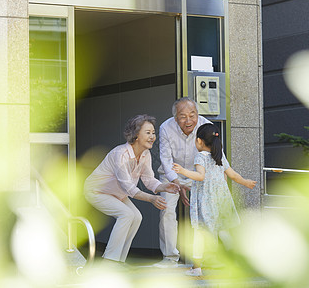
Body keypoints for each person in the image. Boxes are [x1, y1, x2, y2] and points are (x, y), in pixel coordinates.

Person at [84, 114, 180, 264]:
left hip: (117, 194)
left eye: (153, 133)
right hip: (97, 191)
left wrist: (164, 187)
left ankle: (119, 261)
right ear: (136, 135)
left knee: (137, 216)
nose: (152, 136)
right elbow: (128, 187)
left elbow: (148, 179)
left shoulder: (145, 154)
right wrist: (151, 198)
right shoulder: (120, 154)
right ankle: (110, 261)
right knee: (127, 215)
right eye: (147, 132)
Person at [172, 123, 256, 276]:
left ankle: (196, 268)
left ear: (198, 141)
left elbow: (200, 176)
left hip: (206, 200)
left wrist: (182, 171)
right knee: (223, 231)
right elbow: (233, 175)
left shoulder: (200, 157)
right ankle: (237, 261)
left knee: (200, 232)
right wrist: (246, 182)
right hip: (221, 200)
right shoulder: (219, 155)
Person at [154, 97, 211, 268]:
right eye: (183, 116)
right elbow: (165, 159)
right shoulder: (166, 127)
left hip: (198, 173)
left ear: (198, 114)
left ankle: (206, 257)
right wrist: (177, 183)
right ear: (175, 118)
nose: (188, 121)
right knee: (167, 212)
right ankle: (170, 258)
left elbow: (212, 158)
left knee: (207, 212)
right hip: (170, 175)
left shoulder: (206, 126)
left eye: (192, 115)